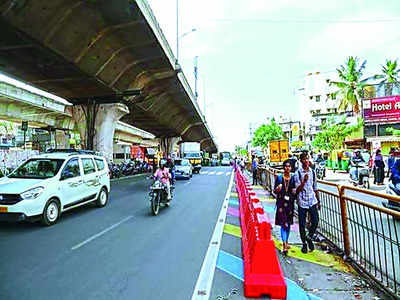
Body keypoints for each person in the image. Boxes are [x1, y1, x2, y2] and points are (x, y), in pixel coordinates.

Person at [294, 152, 320, 254]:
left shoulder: (312, 172)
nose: (306, 161)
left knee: (315, 220)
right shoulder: (298, 174)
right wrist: (303, 181)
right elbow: (297, 190)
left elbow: (315, 187)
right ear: (301, 161)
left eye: (307, 159)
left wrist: (318, 201)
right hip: (302, 202)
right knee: (302, 224)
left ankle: (309, 236)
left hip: (312, 200)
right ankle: (304, 243)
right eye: (304, 159)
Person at [274, 160, 296, 255]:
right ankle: (284, 244)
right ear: (284, 168)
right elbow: (274, 191)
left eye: (289, 166)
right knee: (284, 224)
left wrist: (295, 191)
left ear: (291, 168)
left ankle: (286, 241)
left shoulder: (293, 179)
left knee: (289, 223)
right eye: (286, 166)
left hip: (290, 204)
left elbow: (294, 191)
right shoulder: (279, 178)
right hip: (281, 204)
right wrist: (277, 189)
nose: (287, 168)